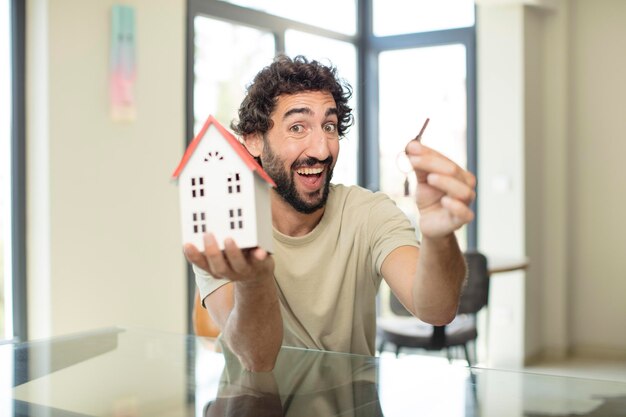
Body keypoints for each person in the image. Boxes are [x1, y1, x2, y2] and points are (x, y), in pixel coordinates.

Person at [183, 55, 476, 372]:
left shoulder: (369, 214)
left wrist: (438, 237)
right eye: (298, 127)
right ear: (254, 139)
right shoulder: (223, 224)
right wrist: (254, 279)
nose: (321, 150)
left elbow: (436, 309)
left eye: (329, 126)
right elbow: (256, 357)